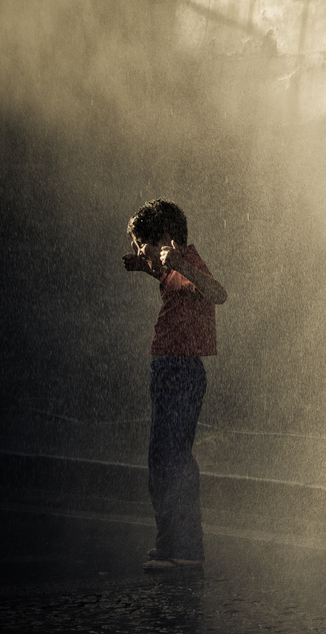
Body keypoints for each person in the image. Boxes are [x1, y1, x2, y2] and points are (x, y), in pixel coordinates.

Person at [123, 198, 227, 571]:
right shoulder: (172, 269)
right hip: (171, 370)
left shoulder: (187, 261)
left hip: (181, 371)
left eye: (141, 244)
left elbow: (218, 293)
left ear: (164, 238)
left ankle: (183, 549)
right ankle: (172, 542)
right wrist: (146, 268)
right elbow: (179, 286)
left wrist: (178, 263)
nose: (137, 251)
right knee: (163, 457)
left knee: (171, 459)